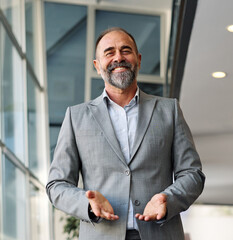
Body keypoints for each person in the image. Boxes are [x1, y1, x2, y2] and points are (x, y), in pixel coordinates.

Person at [46, 27, 205, 240]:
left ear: (138, 59)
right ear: (97, 65)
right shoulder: (76, 117)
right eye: (109, 52)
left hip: (161, 233)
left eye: (125, 50)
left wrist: (168, 199)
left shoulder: (169, 110)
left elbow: (193, 174)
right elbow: (56, 185)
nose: (118, 58)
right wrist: (87, 203)